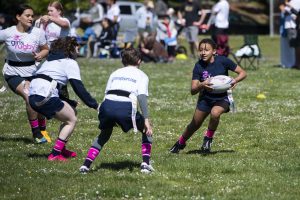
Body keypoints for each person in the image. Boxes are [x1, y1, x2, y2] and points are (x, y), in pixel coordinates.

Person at [80, 47, 154, 174]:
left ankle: (85, 166)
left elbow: (107, 93)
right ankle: (145, 164)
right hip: (124, 107)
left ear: (123, 61)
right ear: (139, 61)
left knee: (104, 134)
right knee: (147, 130)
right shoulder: (142, 75)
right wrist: (146, 119)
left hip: (107, 106)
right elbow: (141, 97)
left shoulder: (115, 73)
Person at [170, 38, 247, 153]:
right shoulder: (198, 66)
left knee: (215, 113)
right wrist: (202, 84)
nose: (203, 52)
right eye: (200, 50)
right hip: (205, 99)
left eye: (206, 50)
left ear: (214, 51)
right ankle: (180, 143)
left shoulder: (223, 61)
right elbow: (193, 90)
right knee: (194, 124)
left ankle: (208, 139)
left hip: (222, 98)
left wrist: (234, 81)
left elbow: (243, 73)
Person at [29, 36, 99, 161]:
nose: (78, 51)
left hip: (33, 96)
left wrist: (70, 102)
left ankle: (61, 149)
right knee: (71, 119)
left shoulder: (50, 61)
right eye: (77, 48)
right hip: (44, 96)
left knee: (71, 110)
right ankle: (55, 154)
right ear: (71, 49)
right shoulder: (70, 62)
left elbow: (53, 85)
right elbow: (78, 87)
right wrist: (94, 105)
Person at [0, 4, 50, 144]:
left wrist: (40, 55)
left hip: (33, 71)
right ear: (18, 17)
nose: (31, 18)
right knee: (30, 97)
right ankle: (36, 134)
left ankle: (43, 130)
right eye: (27, 15)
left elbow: (45, 49)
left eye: (32, 16)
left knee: (41, 100)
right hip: (13, 72)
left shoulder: (38, 33)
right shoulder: (7, 32)